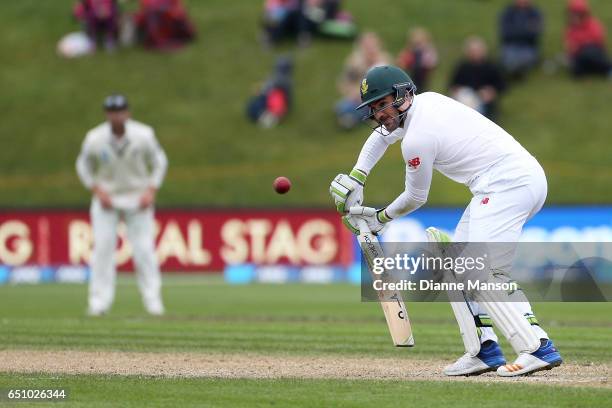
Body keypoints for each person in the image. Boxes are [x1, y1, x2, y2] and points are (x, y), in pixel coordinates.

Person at [329, 65, 563, 377]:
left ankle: (537, 347)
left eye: (382, 104)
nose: (379, 114)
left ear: (402, 94)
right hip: (508, 181)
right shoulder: (425, 104)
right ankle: (483, 350)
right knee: (457, 263)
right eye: (373, 108)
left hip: (508, 183)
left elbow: (416, 197)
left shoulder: (418, 137)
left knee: (480, 269)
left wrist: (380, 218)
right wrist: (358, 177)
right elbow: (380, 139)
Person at [76, 94, 168, 316]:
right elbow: (83, 166)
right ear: (107, 114)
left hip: (138, 199)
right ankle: (99, 303)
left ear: (127, 113)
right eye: (112, 111)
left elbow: (160, 162)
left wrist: (151, 190)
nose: (117, 115)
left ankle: (153, 302)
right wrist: (98, 190)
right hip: (107, 200)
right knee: (103, 250)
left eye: (120, 111)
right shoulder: (94, 138)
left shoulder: (144, 134)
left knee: (144, 250)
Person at [336, 32, 391, 129]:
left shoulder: (383, 61)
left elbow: (391, 82)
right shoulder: (354, 62)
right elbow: (345, 82)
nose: (370, 49)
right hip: (359, 98)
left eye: (372, 46)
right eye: (367, 46)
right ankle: (362, 117)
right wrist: (353, 93)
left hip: (379, 98)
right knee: (342, 106)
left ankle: (365, 117)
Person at [449, 36, 506, 121]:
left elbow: (501, 85)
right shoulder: (463, 67)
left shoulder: (491, 67)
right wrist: (457, 91)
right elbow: (453, 85)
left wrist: (491, 92)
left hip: (483, 100)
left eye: (477, 51)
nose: (475, 53)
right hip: (465, 98)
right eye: (472, 51)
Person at [565, 0, 612, 78]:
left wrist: (581, 45)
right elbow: (570, 46)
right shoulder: (570, 29)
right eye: (572, 14)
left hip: (594, 53)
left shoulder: (593, 24)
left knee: (588, 52)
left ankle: (608, 68)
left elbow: (597, 40)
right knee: (576, 70)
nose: (574, 17)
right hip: (579, 56)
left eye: (577, 14)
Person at [498, 0, 543, 79]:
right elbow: (505, 33)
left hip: (528, 47)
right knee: (510, 59)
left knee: (524, 60)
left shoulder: (535, 13)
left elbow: (535, 35)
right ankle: (514, 72)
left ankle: (516, 72)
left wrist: (515, 29)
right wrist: (526, 29)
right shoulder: (507, 12)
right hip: (510, 45)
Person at [246, 56, 294, 128]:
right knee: (253, 106)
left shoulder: (282, 81)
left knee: (255, 106)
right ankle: (263, 116)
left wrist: (262, 90)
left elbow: (268, 89)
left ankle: (266, 117)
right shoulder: (281, 79)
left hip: (274, 102)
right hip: (271, 100)